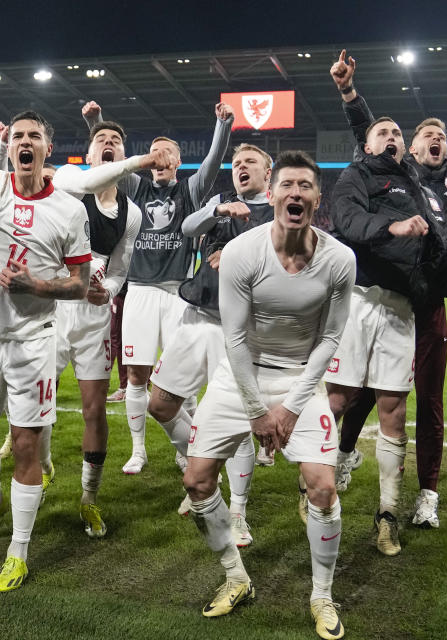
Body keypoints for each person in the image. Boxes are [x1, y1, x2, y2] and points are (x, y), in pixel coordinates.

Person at [182, 151, 355, 640]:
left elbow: (330, 339)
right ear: (273, 194)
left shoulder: (339, 259)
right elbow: (234, 339)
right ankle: (236, 578)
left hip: (300, 378)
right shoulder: (242, 252)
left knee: (322, 486)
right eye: (287, 185)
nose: (294, 193)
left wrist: (291, 406)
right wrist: (258, 411)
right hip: (240, 376)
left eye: (305, 186)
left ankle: (322, 595)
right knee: (196, 481)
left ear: (317, 199)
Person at [0, 111, 91, 592]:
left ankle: (18, 552)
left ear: (48, 149)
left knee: (25, 442)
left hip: (34, 339)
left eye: (35, 137)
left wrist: (38, 285)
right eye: (19, 136)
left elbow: (82, 284)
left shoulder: (70, 210)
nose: (26, 142)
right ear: (10, 147)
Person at [328, 49, 447, 529]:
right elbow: (372, 137)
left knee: (427, 397)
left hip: (428, 298)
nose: (432, 140)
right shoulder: (397, 175)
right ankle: (341, 455)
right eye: (424, 135)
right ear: (411, 151)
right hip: (390, 295)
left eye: (440, 136)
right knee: (363, 390)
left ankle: (426, 492)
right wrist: (349, 93)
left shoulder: (443, 186)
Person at [81, 100, 234, 473]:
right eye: (154, 152)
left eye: (168, 152)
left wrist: (222, 126)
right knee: (136, 374)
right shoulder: (135, 187)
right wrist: (97, 122)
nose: (161, 157)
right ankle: (139, 450)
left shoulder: (190, 191)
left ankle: (189, 446)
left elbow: (213, 163)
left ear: (178, 162)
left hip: (179, 294)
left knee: (184, 379)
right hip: (141, 292)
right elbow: (110, 160)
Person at [149, 143, 275, 544]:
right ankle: (203, 469)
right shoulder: (219, 207)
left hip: (237, 332)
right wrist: (218, 210)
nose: (241, 167)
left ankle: (237, 512)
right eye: (236, 163)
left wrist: (235, 255)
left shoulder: (276, 217)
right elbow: (186, 229)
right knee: (160, 403)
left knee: (236, 426)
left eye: (250, 163)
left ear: (267, 173)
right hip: (195, 316)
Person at [51, 121, 141, 537]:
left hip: (92, 320)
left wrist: (106, 291)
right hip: (50, 310)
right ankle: (37, 462)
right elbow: (90, 180)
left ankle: (89, 496)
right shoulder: (72, 180)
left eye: (116, 141)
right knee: (34, 403)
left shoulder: (132, 213)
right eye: (101, 140)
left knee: (94, 408)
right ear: (89, 154)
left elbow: (120, 269)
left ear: (123, 155)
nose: (108, 144)